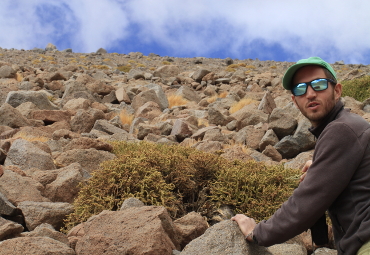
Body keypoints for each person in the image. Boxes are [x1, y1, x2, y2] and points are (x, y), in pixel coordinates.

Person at [232, 57, 370, 255]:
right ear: (294, 101)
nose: (310, 93)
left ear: (337, 91)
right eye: (300, 88)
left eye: (319, 84)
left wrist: (258, 232)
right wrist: (322, 167)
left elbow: (306, 204)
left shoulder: (342, 128)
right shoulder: (346, 127)